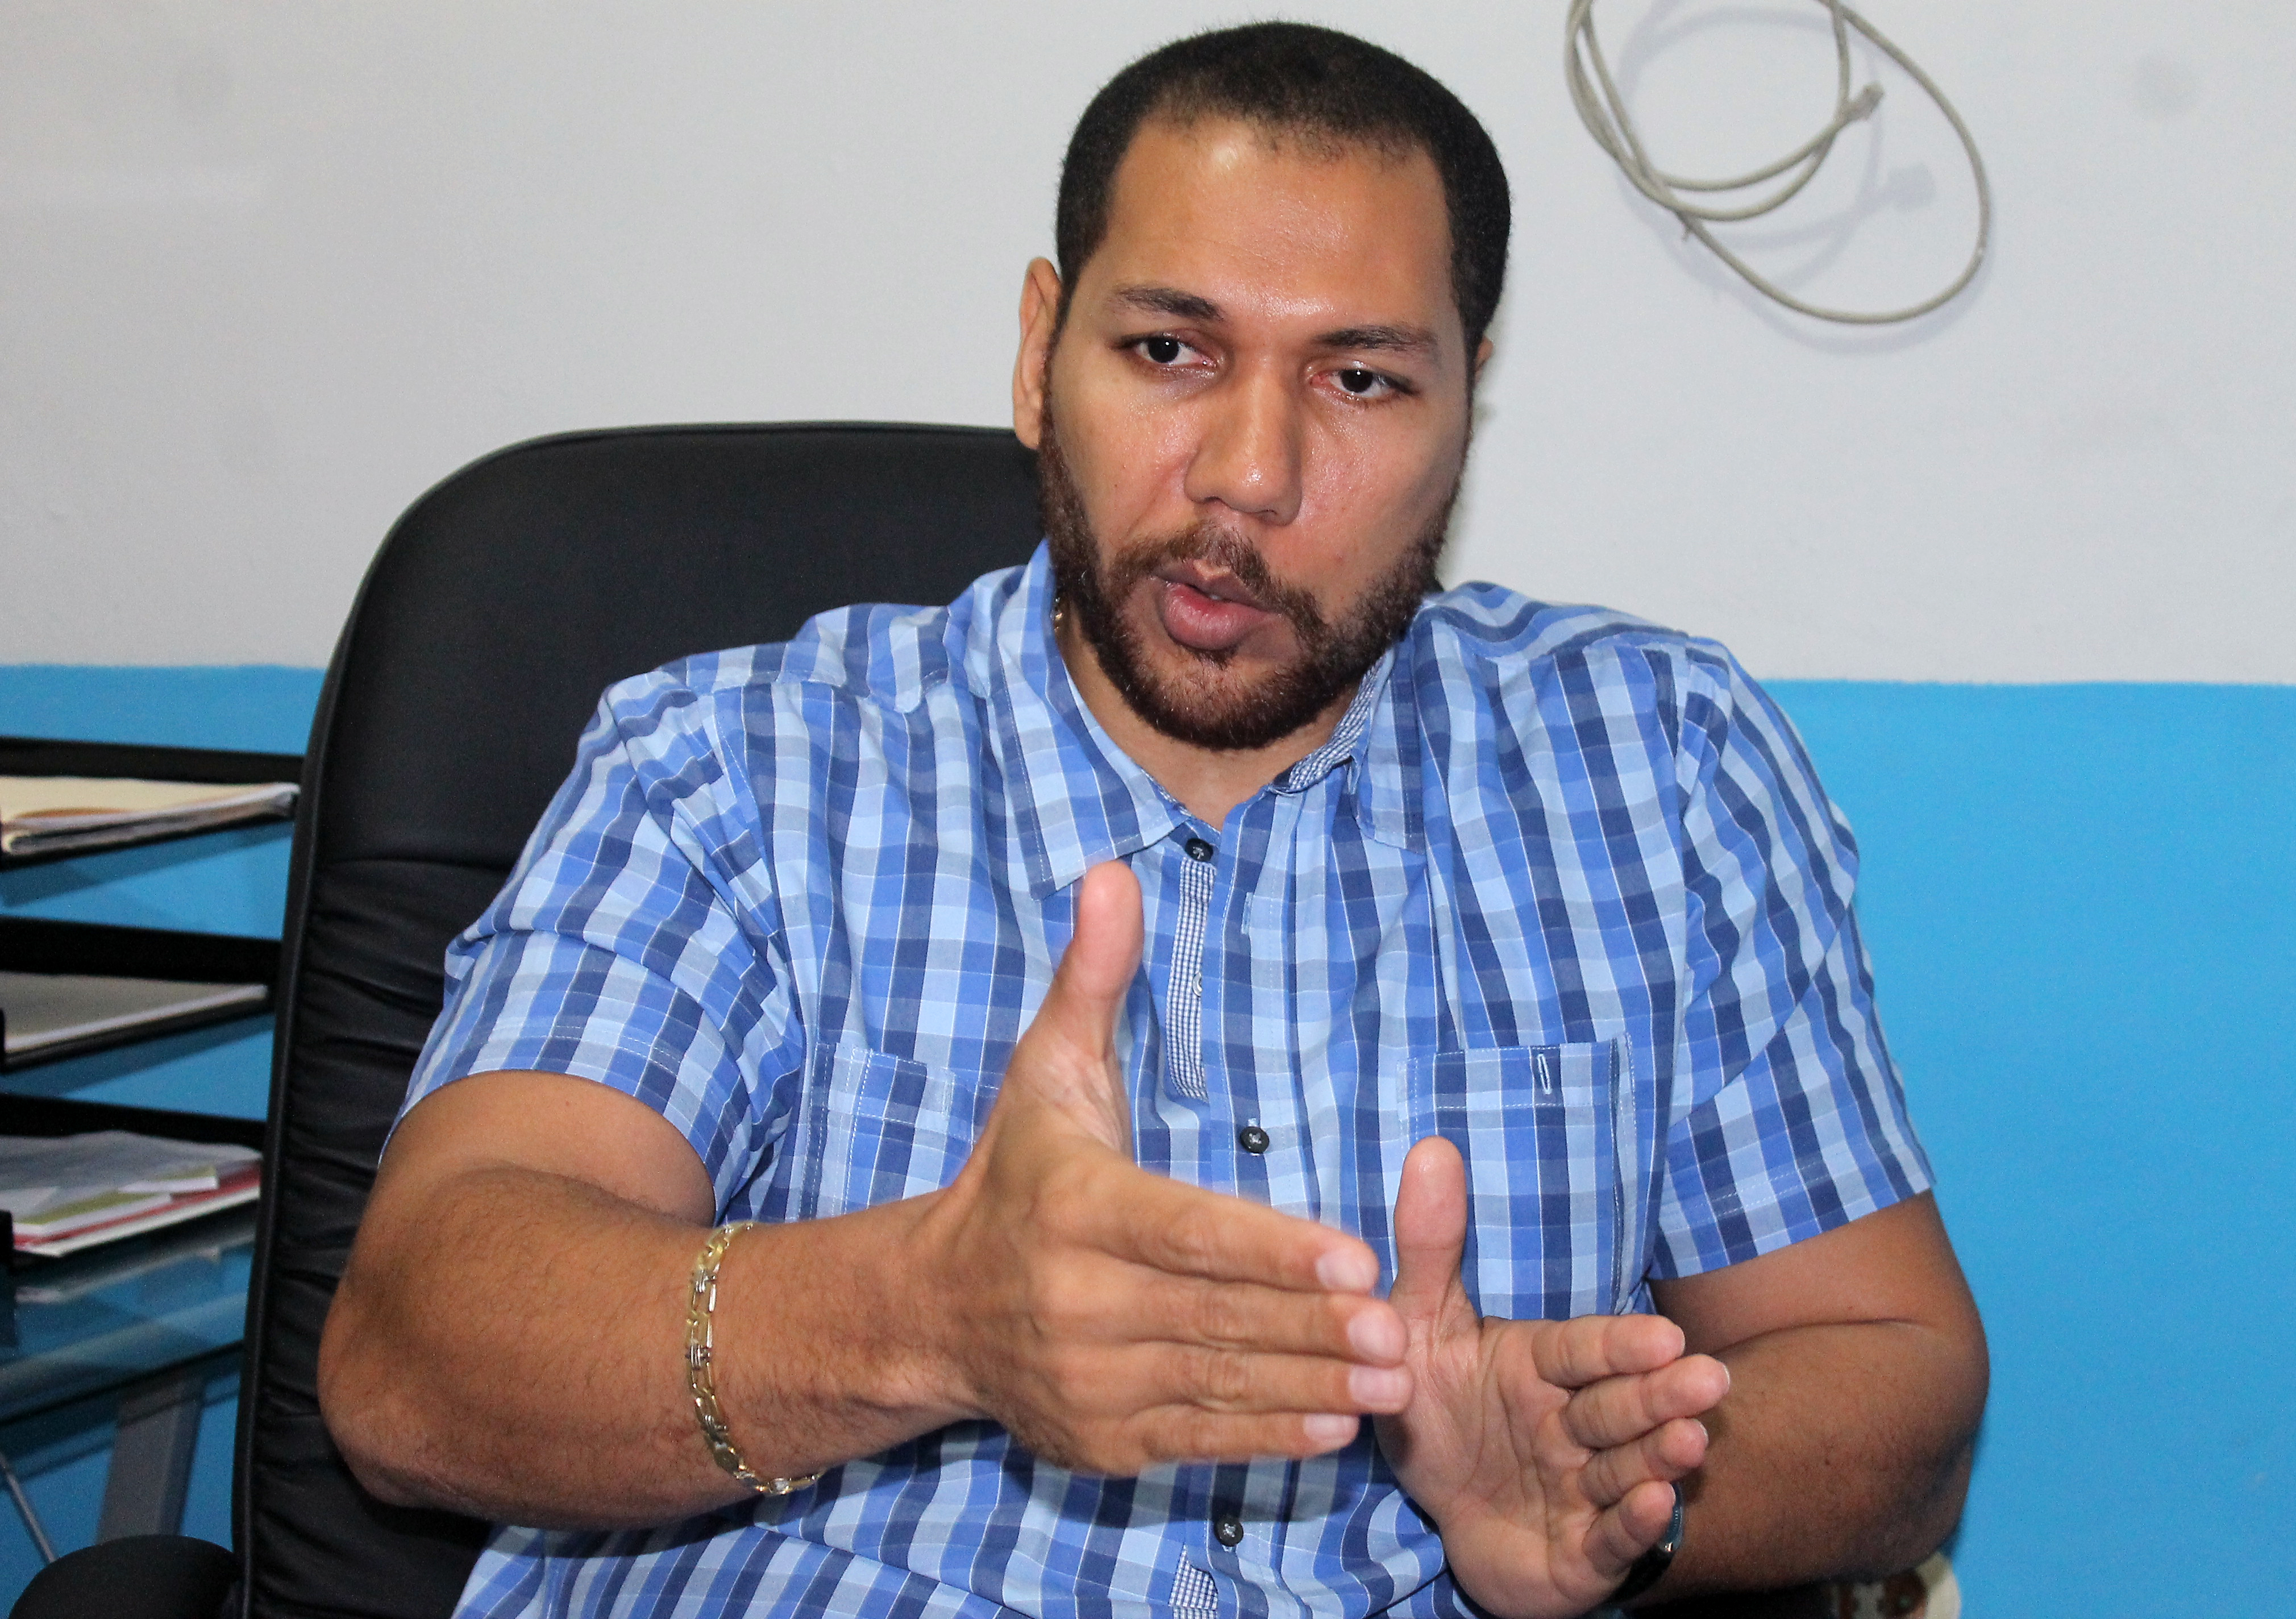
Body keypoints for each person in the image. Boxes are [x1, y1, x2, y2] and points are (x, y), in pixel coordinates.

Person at [320, 22, 1987, 1619]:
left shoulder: (1658, 768)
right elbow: (413, 1355)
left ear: (1467, 405)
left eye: (1360, 378)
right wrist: (922, 1313)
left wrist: (1620, 1493)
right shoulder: (737, 766)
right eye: (1170, 352)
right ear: (1039, 354)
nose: (1249, 472)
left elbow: (1894, 1375)